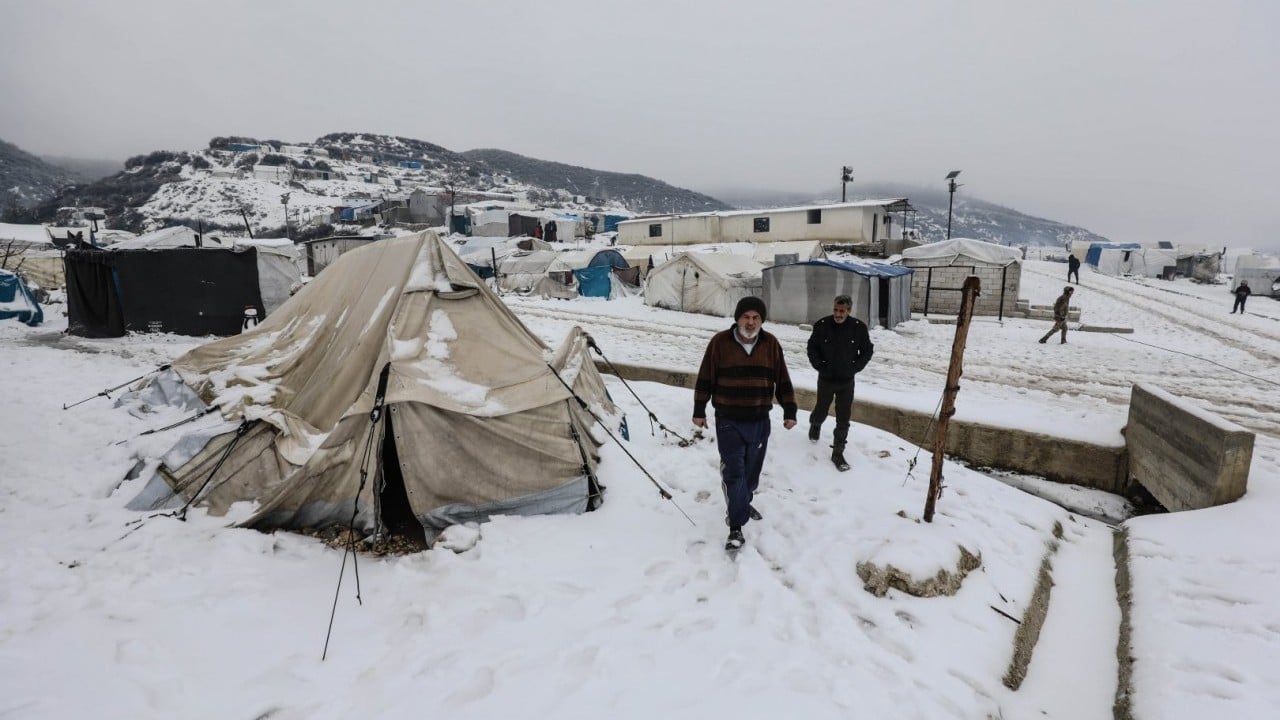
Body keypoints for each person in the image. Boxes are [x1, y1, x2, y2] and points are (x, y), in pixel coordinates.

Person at [693, 296, 797, 551]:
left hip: (759, 419)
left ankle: (743, 501)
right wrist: (699, 409)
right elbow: (705, 376)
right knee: (734, 472)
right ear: (737, 318)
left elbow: (782, 378)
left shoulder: (771, 344)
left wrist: (790, 409)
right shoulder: (720, 343)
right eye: (746, 317)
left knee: (751, 473)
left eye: (755, 317)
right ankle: (736, 526)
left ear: (762, 320)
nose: (750, 322)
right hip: (728, 419)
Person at [806, 295, 874, 471]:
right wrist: (819, 365)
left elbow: (867, 350)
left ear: (848, 311)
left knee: (843, 418)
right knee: (821, 410)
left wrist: (855, 368)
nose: (838, 314)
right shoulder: (822, 325)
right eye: (836, 310)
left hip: (846, 381)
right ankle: (815, 424)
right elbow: (812, 347)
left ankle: (838, 452)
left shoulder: (858, 328)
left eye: (842, 311)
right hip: (826, 379)